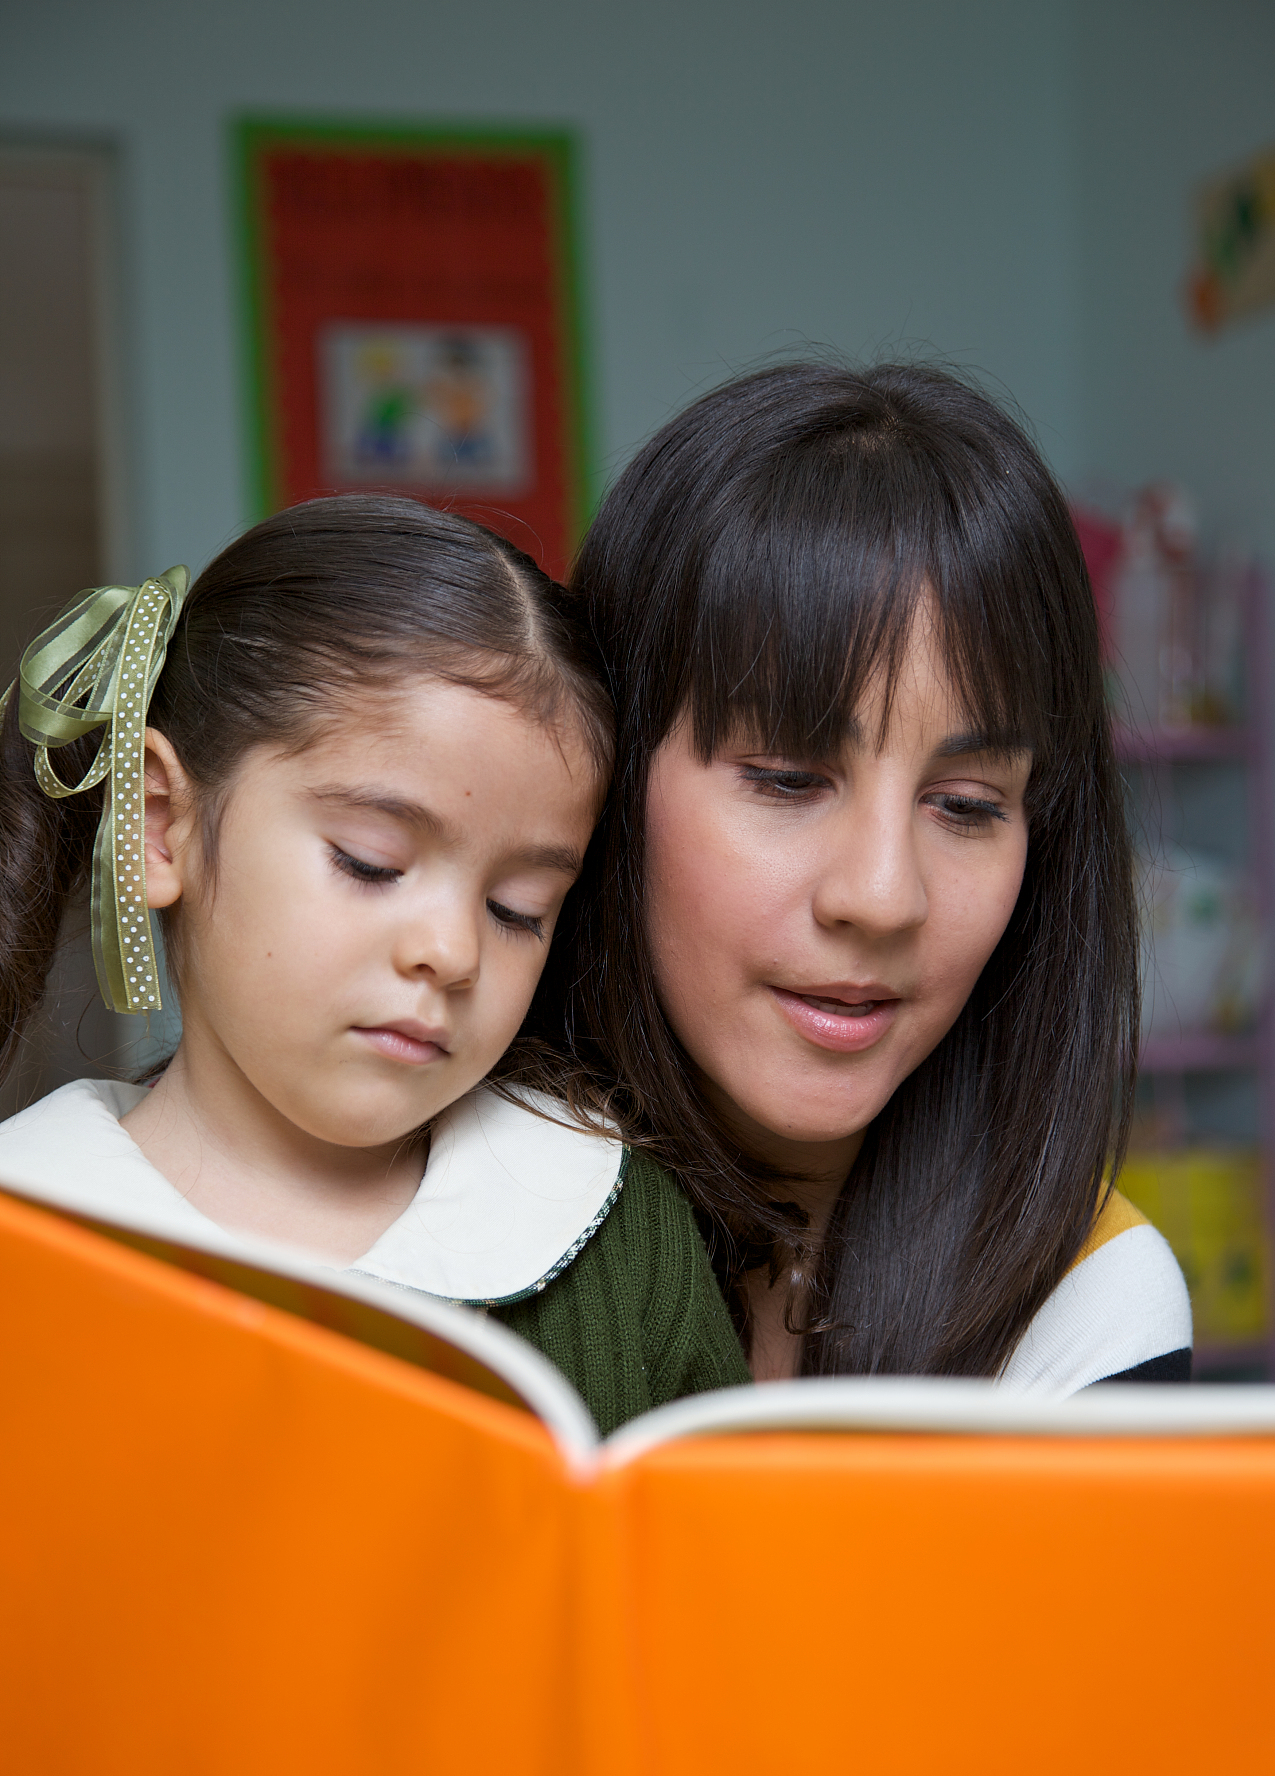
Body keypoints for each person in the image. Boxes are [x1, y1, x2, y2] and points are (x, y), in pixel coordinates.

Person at [0, 496, 746, 1435]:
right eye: (370, 862)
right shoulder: (29, 1233)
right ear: (160, 824)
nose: (452, 952)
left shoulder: (611, 1221)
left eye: (520, 910)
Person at [558, 358, 1192, 1389]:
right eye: (786, 778)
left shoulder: (1090, 1300)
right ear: (607, 778)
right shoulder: (421, 1196)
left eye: (967, 806)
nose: (883, 895)